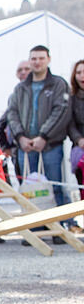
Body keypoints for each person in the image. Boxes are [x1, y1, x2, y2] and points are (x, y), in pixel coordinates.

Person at [6, 45, 72, 242]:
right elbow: (12, 113)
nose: (37, 62)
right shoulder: (20, 88)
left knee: (55, 187)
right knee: (30, 191)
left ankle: (59, 230)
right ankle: (34, 231)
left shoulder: (58, 84)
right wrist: (20, 137)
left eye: (41, 58)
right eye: (33, 58)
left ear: (48, 60)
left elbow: (61, 111)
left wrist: (44, 136)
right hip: (25, 147)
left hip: (50, 145)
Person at [0, 60, 32, 182]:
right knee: (25, 187)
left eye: (27, 69)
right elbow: (1, 124)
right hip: (19, 148)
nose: (23, 72)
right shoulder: (14, 96)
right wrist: (5, 146)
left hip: (43, 146)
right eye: (20, 70)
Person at [68, 59, 84, 232]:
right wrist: (79, 139)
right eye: (79, 72)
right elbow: (70, 123)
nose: (82, 76)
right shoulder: (72, 97)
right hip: (80, 151)